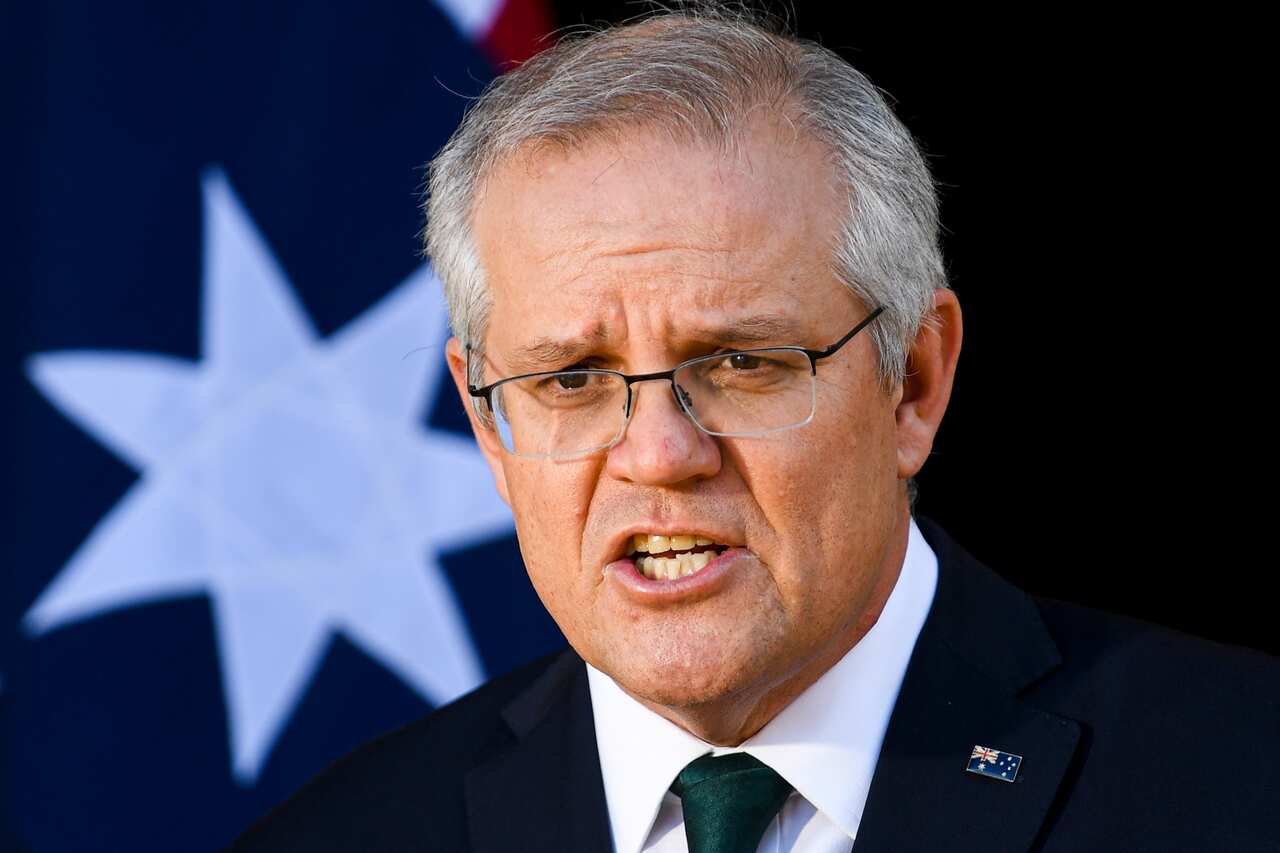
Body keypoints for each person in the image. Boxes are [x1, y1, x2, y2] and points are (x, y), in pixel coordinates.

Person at [231, 7, 1278, 852]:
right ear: (488, 424)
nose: (656, 454)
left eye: (739, 364)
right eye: (571, 379)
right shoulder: (341, 834)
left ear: (911, 381)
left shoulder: (1239, 780)